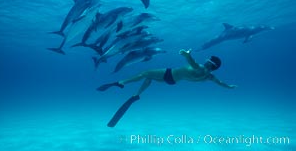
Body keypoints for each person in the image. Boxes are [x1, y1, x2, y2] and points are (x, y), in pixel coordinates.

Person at [97, 49, 237, 127]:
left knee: (145, 73)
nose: (206, 59)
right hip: (173, 81)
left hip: (169, 73)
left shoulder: (201, 68)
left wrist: (187, 55)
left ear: (210, 63)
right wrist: (229, 87)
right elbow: (221, 83)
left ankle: (122, 82)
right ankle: (136, 95)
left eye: (208, 59)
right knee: (149, 77)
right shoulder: (209, 76)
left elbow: (193, 63)